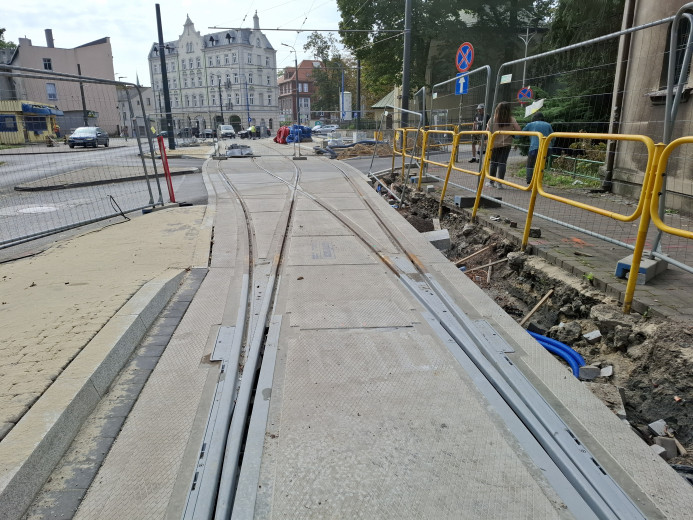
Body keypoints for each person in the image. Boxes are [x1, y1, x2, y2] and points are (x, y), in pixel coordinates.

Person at [486, 102, 520, 188]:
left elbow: (487, 131)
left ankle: (491, 182)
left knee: (493, 163)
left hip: (494, 144)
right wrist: (511, 132)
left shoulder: (492, 119)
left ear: (497, 109)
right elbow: (519, 130)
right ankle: (499, 183)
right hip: (506, 144)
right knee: (502, 163)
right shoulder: (511, 119)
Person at [523, 111, 553, 185]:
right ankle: (539, 180)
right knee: (541, 164)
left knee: (530, 163)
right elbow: (553, 137)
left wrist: (512, 135)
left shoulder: (530, 124)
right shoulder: (548, 125)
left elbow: (520, 134)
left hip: (535, 148)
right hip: (547, 148)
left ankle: (529, 180)